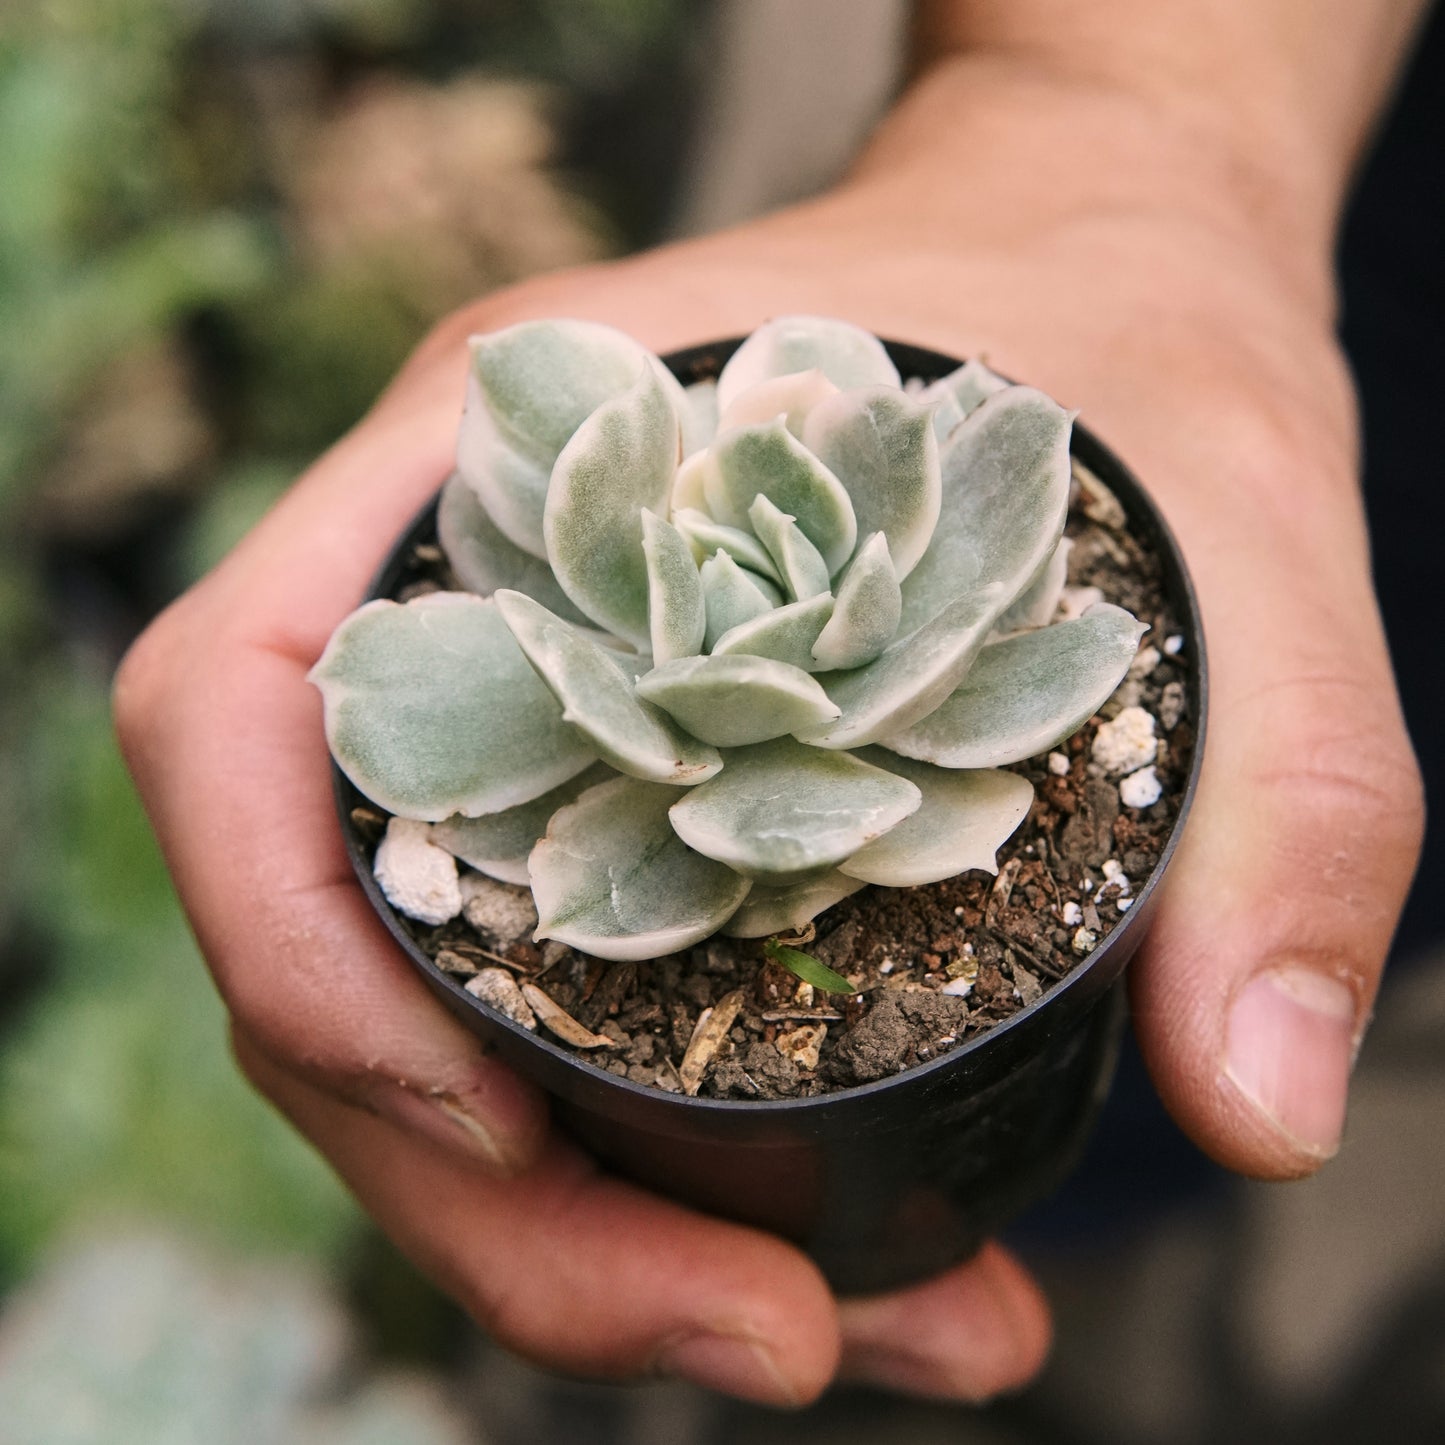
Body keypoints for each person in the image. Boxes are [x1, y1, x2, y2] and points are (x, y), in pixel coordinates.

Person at [113, 0, 1428, 1408]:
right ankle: (1083, 1236)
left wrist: (1139, 141)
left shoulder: (914, 615)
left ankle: (1111, 1227)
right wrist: (1067, 85)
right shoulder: (601, 623)